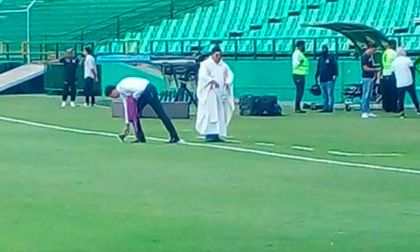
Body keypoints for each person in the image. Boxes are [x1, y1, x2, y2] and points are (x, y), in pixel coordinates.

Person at [105, 77, 180, 144]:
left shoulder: (122, 87)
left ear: (113, 91)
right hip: (144, 92)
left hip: (147, 90)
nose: (115, 97)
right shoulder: (123, 93)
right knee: (134, 113)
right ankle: (140, 137)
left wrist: (135, 96)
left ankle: (174, 136)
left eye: (112, 96)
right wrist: (127, 123)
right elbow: (127, 108)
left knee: (161, 114)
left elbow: (140, 89)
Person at [196, 46, 234, 142]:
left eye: (220, 55)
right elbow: (203, 76)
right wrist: (211, 81)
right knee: (210, 113)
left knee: (220, 113)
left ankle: (217, 133)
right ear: (212, 55)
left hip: (220, 93)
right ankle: (209, 133)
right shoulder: (205, 64)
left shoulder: (223, 65)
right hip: (209, 93)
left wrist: (227, 82)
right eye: (216, 55)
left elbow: (230, 75)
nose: (218, 57)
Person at [392, 47, 420, 118]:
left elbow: (393, 72)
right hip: (409, 81)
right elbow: (412, 70)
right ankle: (418, 109)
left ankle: (401, 113)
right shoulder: (407, 60)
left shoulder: (394, 62)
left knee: (401, 98)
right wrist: (412, 80)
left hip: (399, 82)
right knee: (414, 97)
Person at [315, 45, 338, 113]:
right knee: (324, 94)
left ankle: (330, 107)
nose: (324, 50)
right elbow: (318, 68)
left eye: (325, 49)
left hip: (329, 79)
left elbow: (335, 66)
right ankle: (325, 107)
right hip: (322, 79)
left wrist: (335, 74)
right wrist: (316, 76)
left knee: (329, 94)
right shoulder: (320, 58)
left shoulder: (331, 57)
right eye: (323, 49)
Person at [360, 44, 381, 119]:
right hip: (366, 78)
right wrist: (376, 70)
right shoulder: (364, 56)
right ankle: (364, 111)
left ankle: (368, 111)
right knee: (365, 95)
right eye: (374, 50)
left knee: (368, 95)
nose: (374, 52)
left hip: (371, 77)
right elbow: (365, 68)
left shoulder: (370, 57)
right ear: (370, 49)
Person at [292, 40, 309, 113]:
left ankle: (298, 107)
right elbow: (295, 64)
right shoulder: (297, 54)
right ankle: (297, 108)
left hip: (300, 74)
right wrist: (300, 62)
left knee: (300, 92)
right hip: (298, 75)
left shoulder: (299, 53)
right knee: (299, 92)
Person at [381, 39, 398, 112]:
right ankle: (393, 107)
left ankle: (386, 107)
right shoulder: (394, 53)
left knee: (386, 92)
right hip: (391, 72)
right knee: (393, 92)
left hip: (385, 72)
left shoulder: (385, 52)